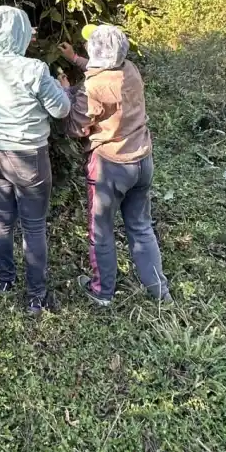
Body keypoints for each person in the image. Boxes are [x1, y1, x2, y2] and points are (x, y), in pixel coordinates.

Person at [0, 6, 71, 315]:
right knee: (34, 225)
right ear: (24, 34)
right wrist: (64, 88)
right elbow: (61, 110)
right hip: (27, 156)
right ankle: (36, 297)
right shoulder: (35, 70)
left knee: (1, 218)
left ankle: (4, 281)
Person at [59, 24, 171, 306]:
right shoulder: (130, 69)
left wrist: (66, 93)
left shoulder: (91, 88)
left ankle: (102, 292)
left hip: (110, 166)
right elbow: (104, 72)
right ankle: (160, 291)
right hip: (142, 161)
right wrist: (75, 60)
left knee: (101, 231)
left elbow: (76, 127)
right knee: (141, 227)